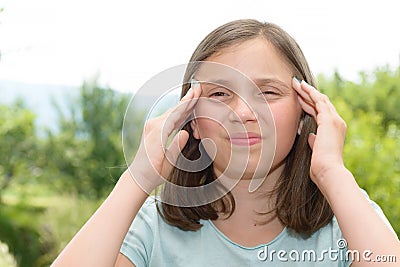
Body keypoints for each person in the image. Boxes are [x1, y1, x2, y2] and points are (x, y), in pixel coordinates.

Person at [52, 19, 400, 266]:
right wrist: (138, 178)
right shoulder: (149, 230)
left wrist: (330, 171)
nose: (244, 112)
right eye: (219, 94)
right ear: (192, 119)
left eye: (268, 92)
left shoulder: (347, 224)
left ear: (304, 112)